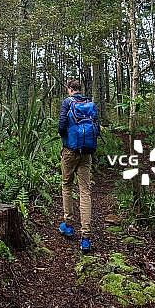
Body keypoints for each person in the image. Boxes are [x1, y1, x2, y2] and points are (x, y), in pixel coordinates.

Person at [58, 78, 98, 252]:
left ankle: (68, 225)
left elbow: (61, 126)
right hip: (86, 152)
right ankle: (86, 237)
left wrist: (68, 138)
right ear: (80, 89)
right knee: (85, 191)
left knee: (67, 185)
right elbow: (97, 128)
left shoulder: (67, 103)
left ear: (69, 89)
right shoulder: (90, 104)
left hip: (70, 150)